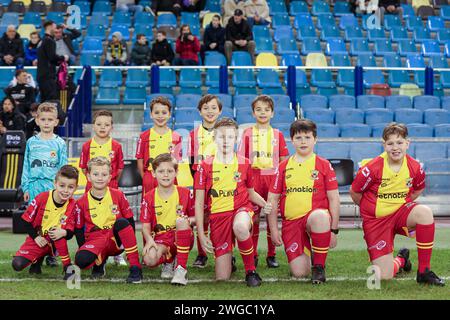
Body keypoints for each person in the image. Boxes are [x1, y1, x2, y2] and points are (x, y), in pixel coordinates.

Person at [350, 123, 445, 286]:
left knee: (424, 212)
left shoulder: (415, 167)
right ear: (384, 145)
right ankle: (401, 259)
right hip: (376, 221)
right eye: (390, 143)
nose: (395, 147)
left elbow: (417, 190)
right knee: (383, 276)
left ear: (407, 143)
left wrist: (402, 205)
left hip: (400, 215)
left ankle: (424, 271)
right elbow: (355, 192)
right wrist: (372, 209)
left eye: (399, 142)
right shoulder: (371, 168)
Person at [194, 117, 272, 287]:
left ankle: (251, 271)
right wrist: (201, 234)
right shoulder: (204, 166)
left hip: (241, 210)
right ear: (214, 137)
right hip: (218, 218)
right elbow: (199, 203)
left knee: (240, 226)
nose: (226, 141)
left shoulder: (244, 163)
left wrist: (265, 203)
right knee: (222, 277)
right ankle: (230, 259)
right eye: (221, 136)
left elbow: (250, 194)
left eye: (230, 137)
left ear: (236, 138)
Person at [267, 119, 340, 284]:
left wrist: (333, 230)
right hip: (291, 223)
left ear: (315, 139)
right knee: (299, 273)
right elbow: (272, 199)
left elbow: (334, 198)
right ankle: (312, 250)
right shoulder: (283, 166)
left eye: (307, 137)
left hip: (315, 218)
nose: (303, 142)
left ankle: (319, 267)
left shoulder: (323, 165)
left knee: (320, 216)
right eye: (298, 138)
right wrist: (274, 230)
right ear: (292, 140)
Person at [238, 95, 289, 269]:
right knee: (254, 217)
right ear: (253, 113)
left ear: (272, 113)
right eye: (259, 109)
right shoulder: (247, 134)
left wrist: (281, 181)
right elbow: (242, 159)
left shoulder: (278, 134)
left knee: (271, 215)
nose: (263, 112)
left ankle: (271, 254)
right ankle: (252, 254)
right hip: (253, 177)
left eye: (267, 109)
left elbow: (283, 160)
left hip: (271, 178)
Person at [73, 156, 143, 284]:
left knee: (122, 222)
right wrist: (84, 248)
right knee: (81, 260)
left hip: (115, 240)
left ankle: (135, 268)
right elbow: (78, 230)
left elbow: (129, 221)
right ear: (88, 176)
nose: (100, 178)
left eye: (104, 174)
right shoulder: (81, 202)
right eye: (96, 174)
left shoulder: (118, 195)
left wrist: (129, 247)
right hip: (95, 240)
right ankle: (99, 261)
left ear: (110, 177)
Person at [11, 165, 79, 279]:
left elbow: (71, 232)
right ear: (55, 183)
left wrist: (64, 233)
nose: (66, 190)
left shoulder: (73, 205)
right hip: (39, 238)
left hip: (56, 241)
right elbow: (25, 220)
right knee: (17, 264)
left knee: (58, 232)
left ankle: (67, 267)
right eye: (62, 186)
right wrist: (36, 237)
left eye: (70, 187)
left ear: (76, 188)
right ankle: (37, 261)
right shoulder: (42, 198)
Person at [141, 153, 195, 285]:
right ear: (153, 173)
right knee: (149, 259)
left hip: (182, 236)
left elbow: (197, 218)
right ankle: (168, 261)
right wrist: (149, 240)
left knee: (181, 221)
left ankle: (180, 269)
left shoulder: (186, 193)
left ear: (176, 172)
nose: (166, 175)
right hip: (160, 239)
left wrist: (187, 221)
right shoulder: (148, 197)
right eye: (161, 171)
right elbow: (145, 226)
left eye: (170, 171)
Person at [188, 94, 222, 268]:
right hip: (201, 181)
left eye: (213, 108)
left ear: (220, 111)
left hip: (221, 181)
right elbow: (191, 163)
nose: (210, 111)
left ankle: (223, 252)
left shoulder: (225, 133)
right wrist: (198, 184)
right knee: (201, 216)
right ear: (200, 111)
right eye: (206, 108)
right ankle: (201, 255)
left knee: (220, 216)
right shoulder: (194, 135)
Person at [21, 102, 68, 204]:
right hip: (34, 188)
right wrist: (26, 188)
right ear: (37, 121)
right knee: (35, 218)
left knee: (52, 218)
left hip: (53, 187)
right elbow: (26, 167)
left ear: (56, 122)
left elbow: (63, 168)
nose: (46, 123)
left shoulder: (60, 143)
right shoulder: (31, 142)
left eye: (50, 120)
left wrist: (62, 188)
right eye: (43, 119)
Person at [135, 96, 182, 195]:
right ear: (151, 114)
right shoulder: (143, 136)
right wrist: (146, 178)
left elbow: (177, 162)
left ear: (169, 115)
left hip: (169, 177)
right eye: (156, 113)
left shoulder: (176, 137)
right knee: (150, 207)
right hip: (150, 178)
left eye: (164, 113)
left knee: (170, 207)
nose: (160, 116)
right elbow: (140, 161)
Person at [79, 110, 124, 191]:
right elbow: (83, 168)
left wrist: (111, 180)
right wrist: (93, 179)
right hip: (91, 185)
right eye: (99, 124)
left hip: (111, 185)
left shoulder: (117, 146)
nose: (102, 127)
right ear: (93, 126)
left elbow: (120, 169)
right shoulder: (86, 146)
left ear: (112, 127)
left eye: (107, 125)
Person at [37, 21, 69, 103]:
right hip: (47, 75)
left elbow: (48, 58)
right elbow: (52, 57)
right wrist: (63, 58)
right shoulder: (49, 40)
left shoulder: (43, 40)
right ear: (50, 27)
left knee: (44, 100)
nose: (55, 30)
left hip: (41, 75)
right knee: (51, 100)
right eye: (54, 27)